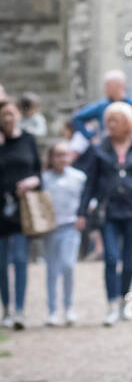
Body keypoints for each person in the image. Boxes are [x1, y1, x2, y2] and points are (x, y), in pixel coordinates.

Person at [75, 102, 132, 326]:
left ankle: (125, 301)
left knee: (130, 261)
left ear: (128, 124)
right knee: (111, 258)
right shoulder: (99, 149)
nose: (109, 125)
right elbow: (90, 183)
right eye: (108, 121)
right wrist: (81, 212)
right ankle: (111, 304)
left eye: (115, 121)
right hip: (108, 211)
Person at [0, 100, 43, 328]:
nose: (8, 118)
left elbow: (39, 172)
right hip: (1, 208)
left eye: (11, 113)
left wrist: (31, 181)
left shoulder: (28, 139)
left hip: (22, 209)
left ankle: (19, 310)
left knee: (19, 260)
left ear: (18, 115)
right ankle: (5, 308)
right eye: (4, 114)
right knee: (1, 263)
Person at [42, 141, 86, 326]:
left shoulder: (79, 177)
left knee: (68, 266)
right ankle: (52, 310)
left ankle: (68, 307)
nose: (61, 158)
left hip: (70, 227)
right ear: (51, 158)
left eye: (64, 154)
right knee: (52, 270)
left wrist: (82, 216)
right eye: (57, 155)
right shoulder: (44, 178)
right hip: (51, 229)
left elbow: (86, 200)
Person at [71, 69, 132, 148]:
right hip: (107, 151)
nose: (105, 89)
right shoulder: (102, 105)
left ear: (120, 85)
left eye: (108, 86)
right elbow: (77, 118)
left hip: (131, 152)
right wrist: (91, 138)